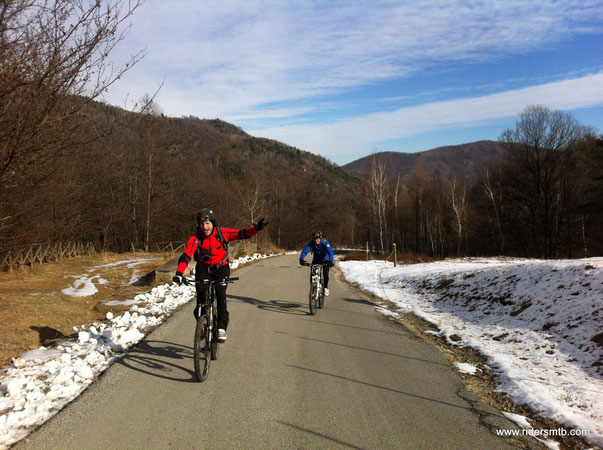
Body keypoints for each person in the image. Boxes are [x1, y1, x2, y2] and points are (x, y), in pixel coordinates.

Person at [172, 208, 268, 342]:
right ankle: (202, 324)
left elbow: (242, 234)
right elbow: (186, 255)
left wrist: (256, 229)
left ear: (212, 222)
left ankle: (221, 327)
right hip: (203, 268)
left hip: (221, 268)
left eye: (207, 223)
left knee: (220, 294)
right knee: (201, 298)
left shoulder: (222, 233)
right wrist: (179, 273)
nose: (205, 227)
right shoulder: (196, 237)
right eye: (202, 224)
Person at [299, 230, 334, 296]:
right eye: (314, 239)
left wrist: (331, 261)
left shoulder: (325, 242)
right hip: (316, 260)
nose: (316, 241)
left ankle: (326, 288)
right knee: (312, 274)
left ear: (320, 238)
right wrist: (301, 259)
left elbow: (330, 252)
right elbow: (305, 251)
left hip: (326, 260)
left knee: (325, 274)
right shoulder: (312, 243)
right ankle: (312, 289)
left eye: (317, 239)